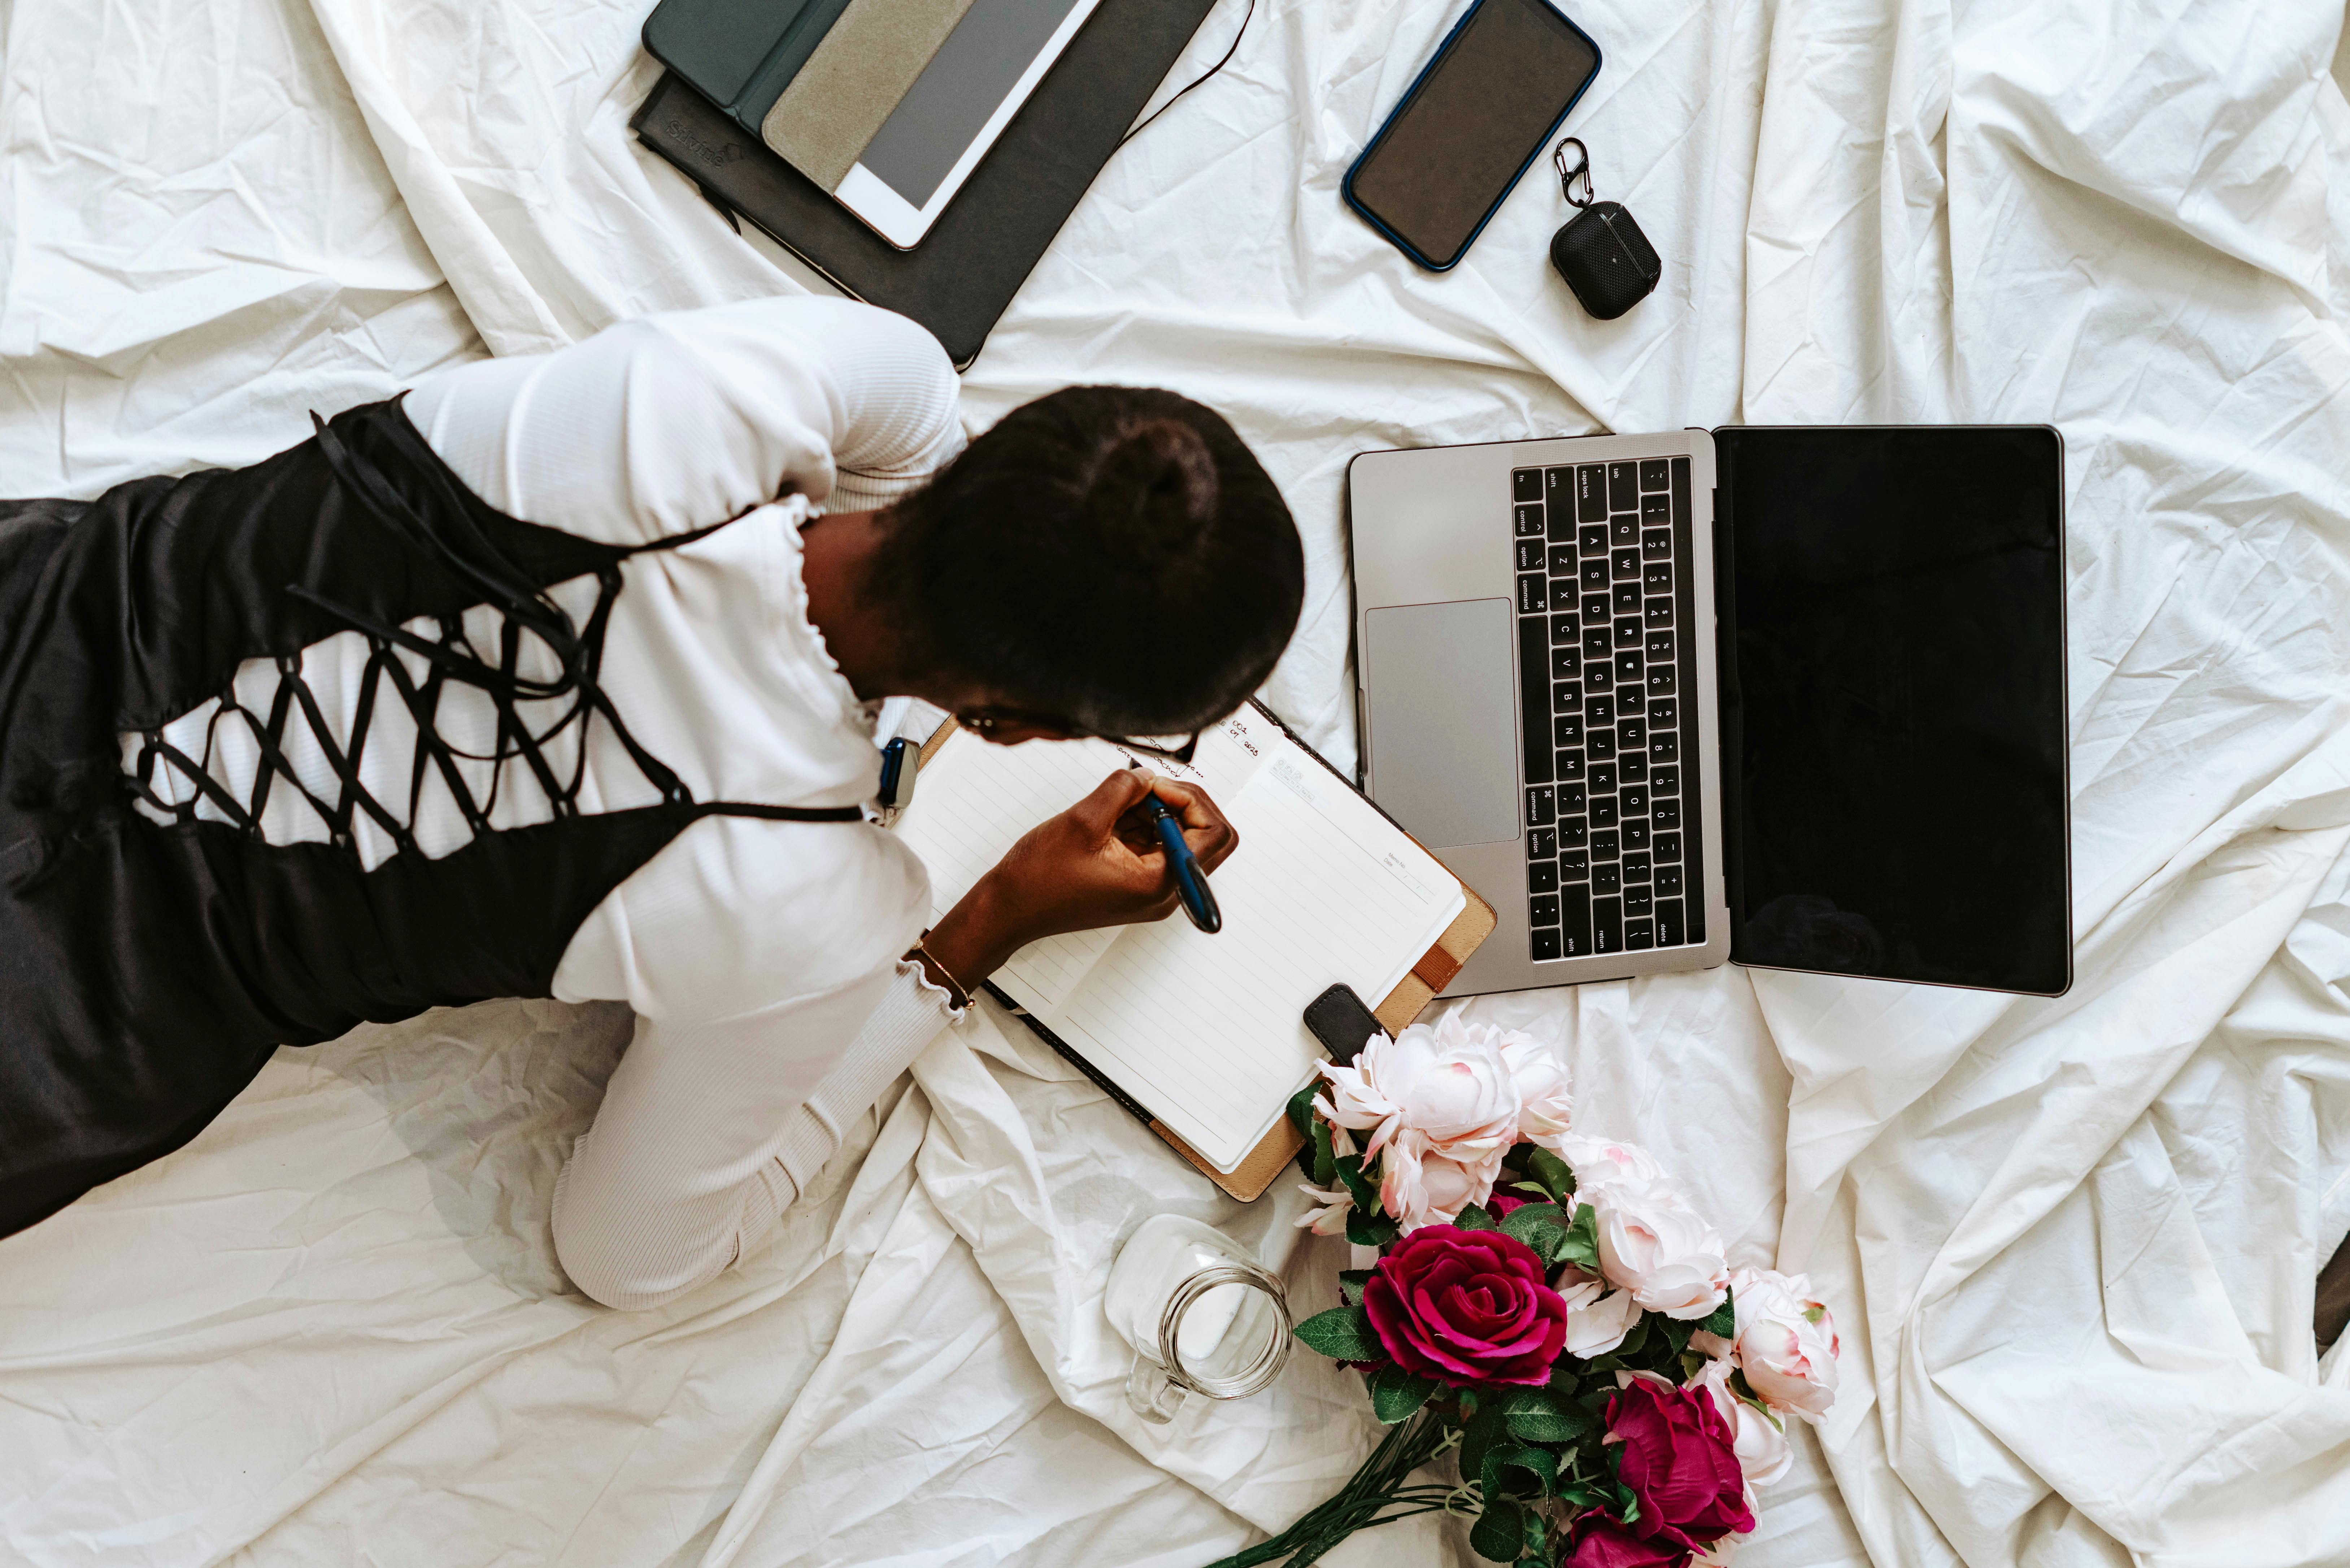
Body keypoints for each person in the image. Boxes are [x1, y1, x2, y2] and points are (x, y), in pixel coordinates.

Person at [0, 296, 1305, 1308]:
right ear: (1024, 727)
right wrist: (977, 932)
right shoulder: (809, 902)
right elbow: (629, 1257)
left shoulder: (711, 398)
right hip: (64, 1018)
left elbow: (910, 427)